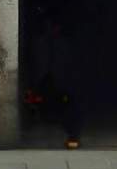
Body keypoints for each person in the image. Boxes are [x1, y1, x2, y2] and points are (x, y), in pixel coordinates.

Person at [25, 12, 82, 148]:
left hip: (60, 81)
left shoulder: (62, 44)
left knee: (68, 106)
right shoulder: (41, 43)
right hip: (48, 80)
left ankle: (72, 136)